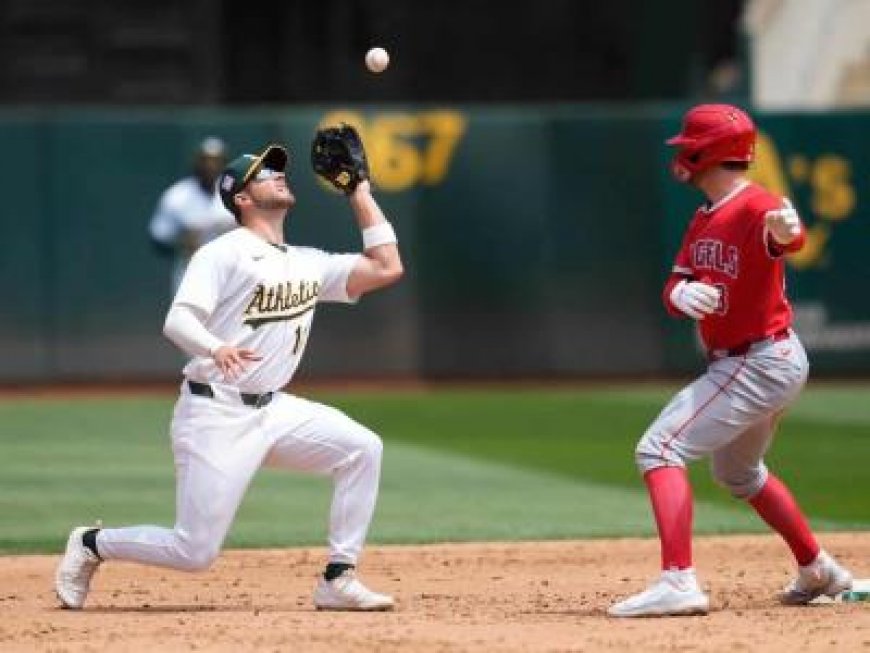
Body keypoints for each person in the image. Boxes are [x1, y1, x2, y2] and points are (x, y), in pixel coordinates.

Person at [56, 134, 404, 611]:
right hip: (214, 411)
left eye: (278, 169)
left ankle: (338, 578)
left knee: (363, 448)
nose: (278, 174)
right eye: (264, 173)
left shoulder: (306, 262)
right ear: (241, 197)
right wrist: (216, 347)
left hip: (275, 410)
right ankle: (93, 542)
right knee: (194, 552)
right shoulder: (224, 252)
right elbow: (177, 320)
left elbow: (387, 267)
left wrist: (358, 190)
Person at [608, 104, 853, 618]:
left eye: (688, 145)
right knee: (740, 474)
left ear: (709, 151)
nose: (681, 154)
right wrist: (681, 295)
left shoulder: (754, 205)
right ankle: (819, 569)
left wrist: (790, 234)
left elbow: (784, 235)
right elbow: (675, 281)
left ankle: (679, 581)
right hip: (765, 360)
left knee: (658, 449)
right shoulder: (704, 218)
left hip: (756, 360)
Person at [149, 136, 237, 294]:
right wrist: (181, 242)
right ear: (196, 163)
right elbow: (158, 238)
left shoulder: (237, 193)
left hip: (232, 276)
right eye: (205, 160)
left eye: (216, 160)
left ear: (225, 164)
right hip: (190, 277)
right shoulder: (177, 196)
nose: (210, 166)